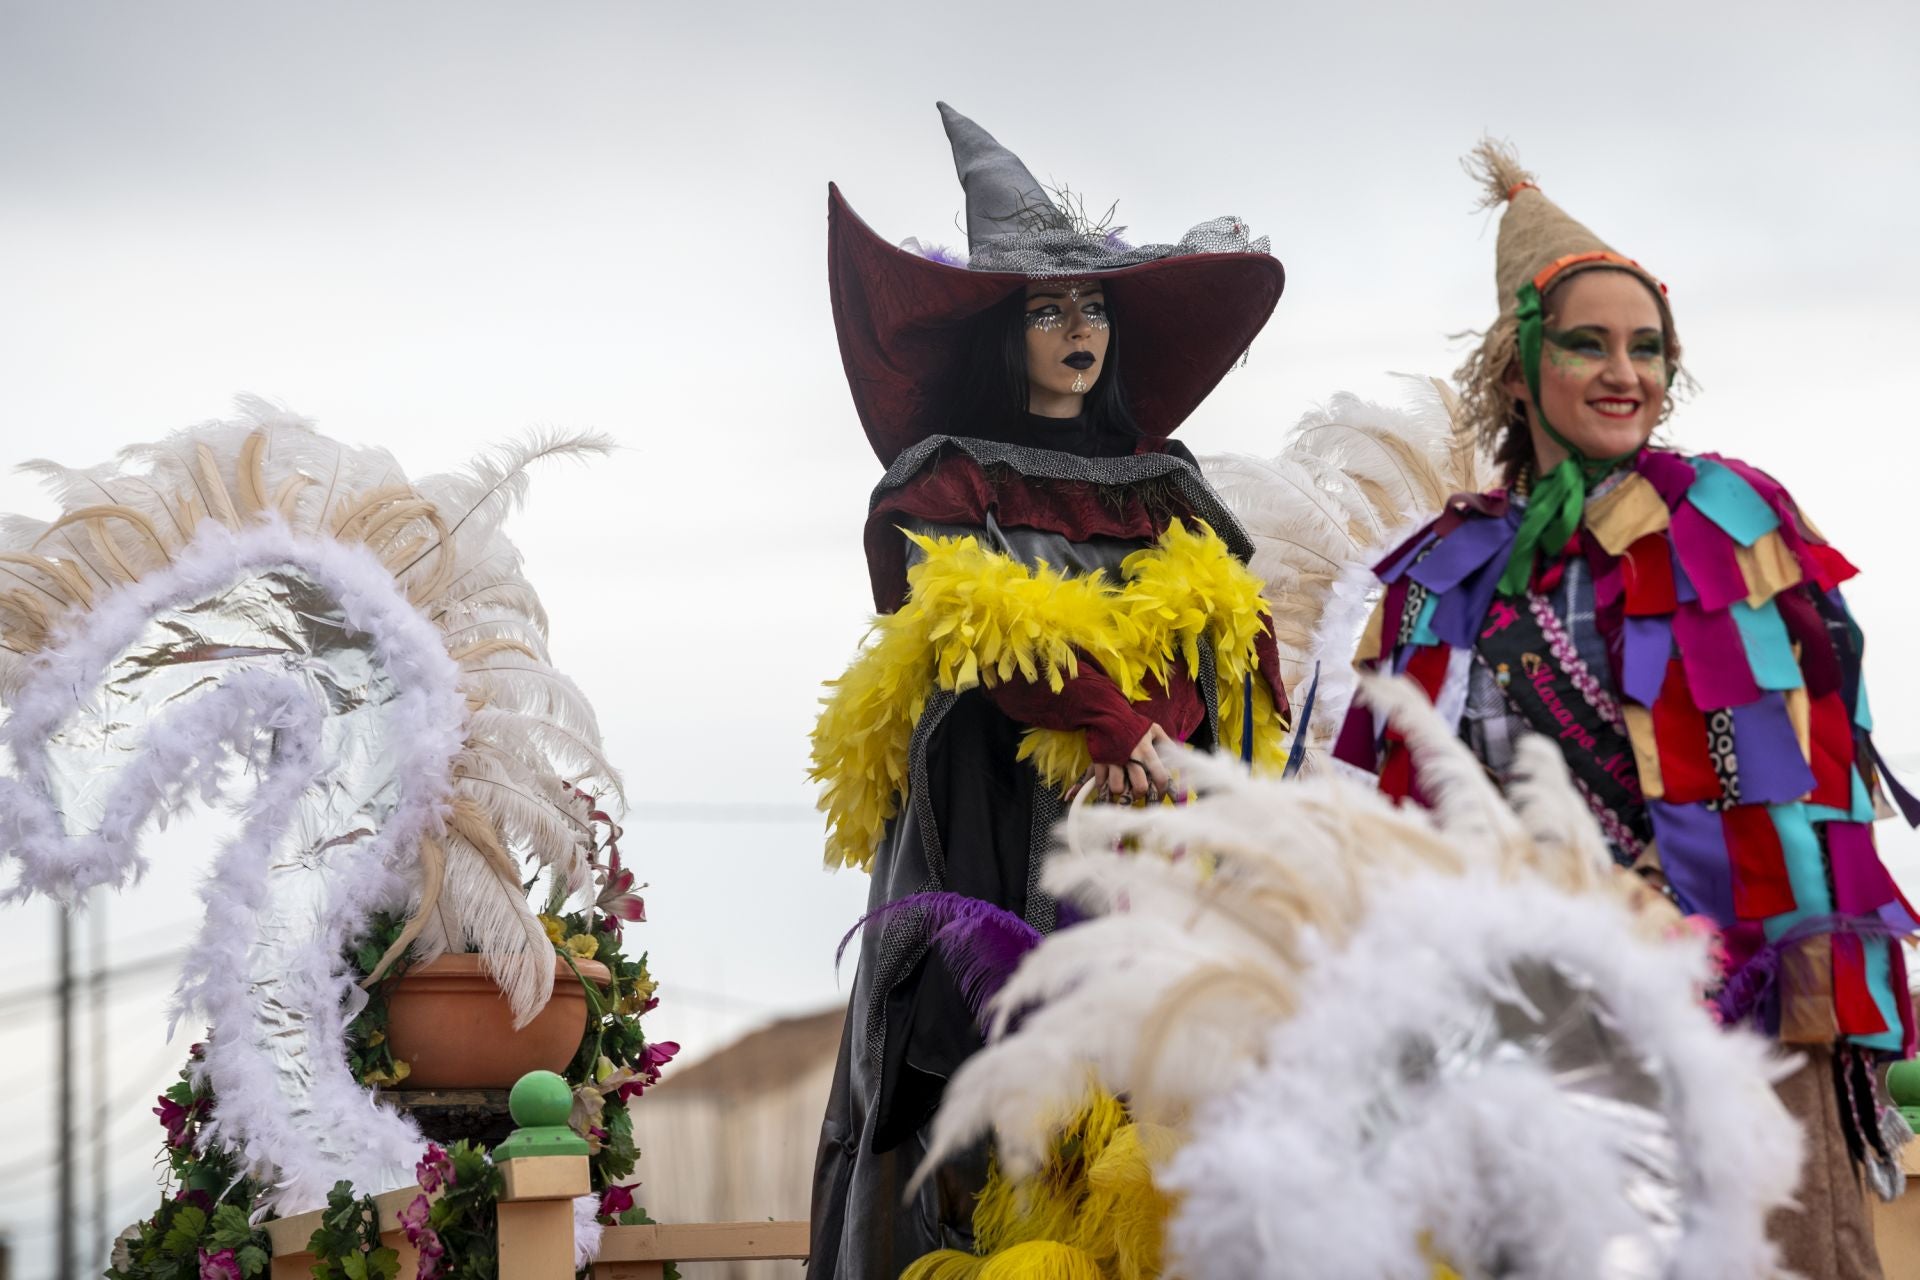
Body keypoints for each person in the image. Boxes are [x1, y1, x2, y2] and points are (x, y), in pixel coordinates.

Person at [1334, 140, 1918, 1279]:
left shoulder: (1739, 523)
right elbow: (1388, 821)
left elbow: (1821, 767)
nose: (1626, 372)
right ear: (1519, 371)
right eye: (1589, 344)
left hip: (1747, 1017)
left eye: (1648, 347)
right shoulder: (1438, 577)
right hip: (1532, 1040)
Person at [807, 102, 1292, 1277]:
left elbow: (1229, 634)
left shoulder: (1166, 488)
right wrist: (1105, 720)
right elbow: (971, 619)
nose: (1078, 328)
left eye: (1092, 309)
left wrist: (1159, 736)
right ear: (1006, 334)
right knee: (981, 1124)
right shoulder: (945, 480)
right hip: (991, 840)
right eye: (1048, 309)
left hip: (1152, 848)